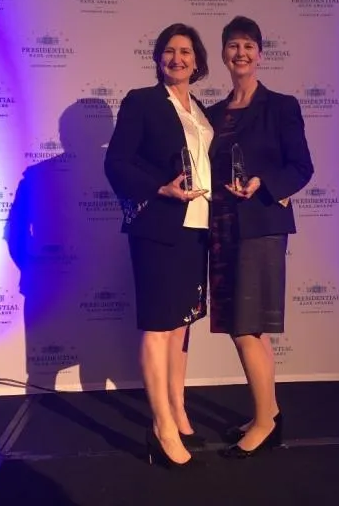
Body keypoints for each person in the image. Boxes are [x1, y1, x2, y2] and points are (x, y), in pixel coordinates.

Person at [104, 23, 213, 469]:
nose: (177, 59)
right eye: (169, 51)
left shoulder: (201, 109)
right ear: (157, 58)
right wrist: (160, 189)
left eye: (185, 51)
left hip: (198, 227)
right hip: (158, 227)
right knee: (158, 326)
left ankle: (179, 410)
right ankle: (161, 427)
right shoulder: (142, 102)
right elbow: (116, 163)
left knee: (181, 324)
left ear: (198, 60)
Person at [207, 15, 314, 459]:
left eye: (248, 45)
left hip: (261, 225)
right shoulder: (211, 113)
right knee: (251, 331)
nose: (241, 53)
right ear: (223, 55)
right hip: (221, 229)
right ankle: (267, 413)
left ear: (260, 53)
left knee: (246, 328)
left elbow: (301, 167)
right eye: (233, 46)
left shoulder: (281, 106)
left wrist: (262, 184)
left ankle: (266, 424)